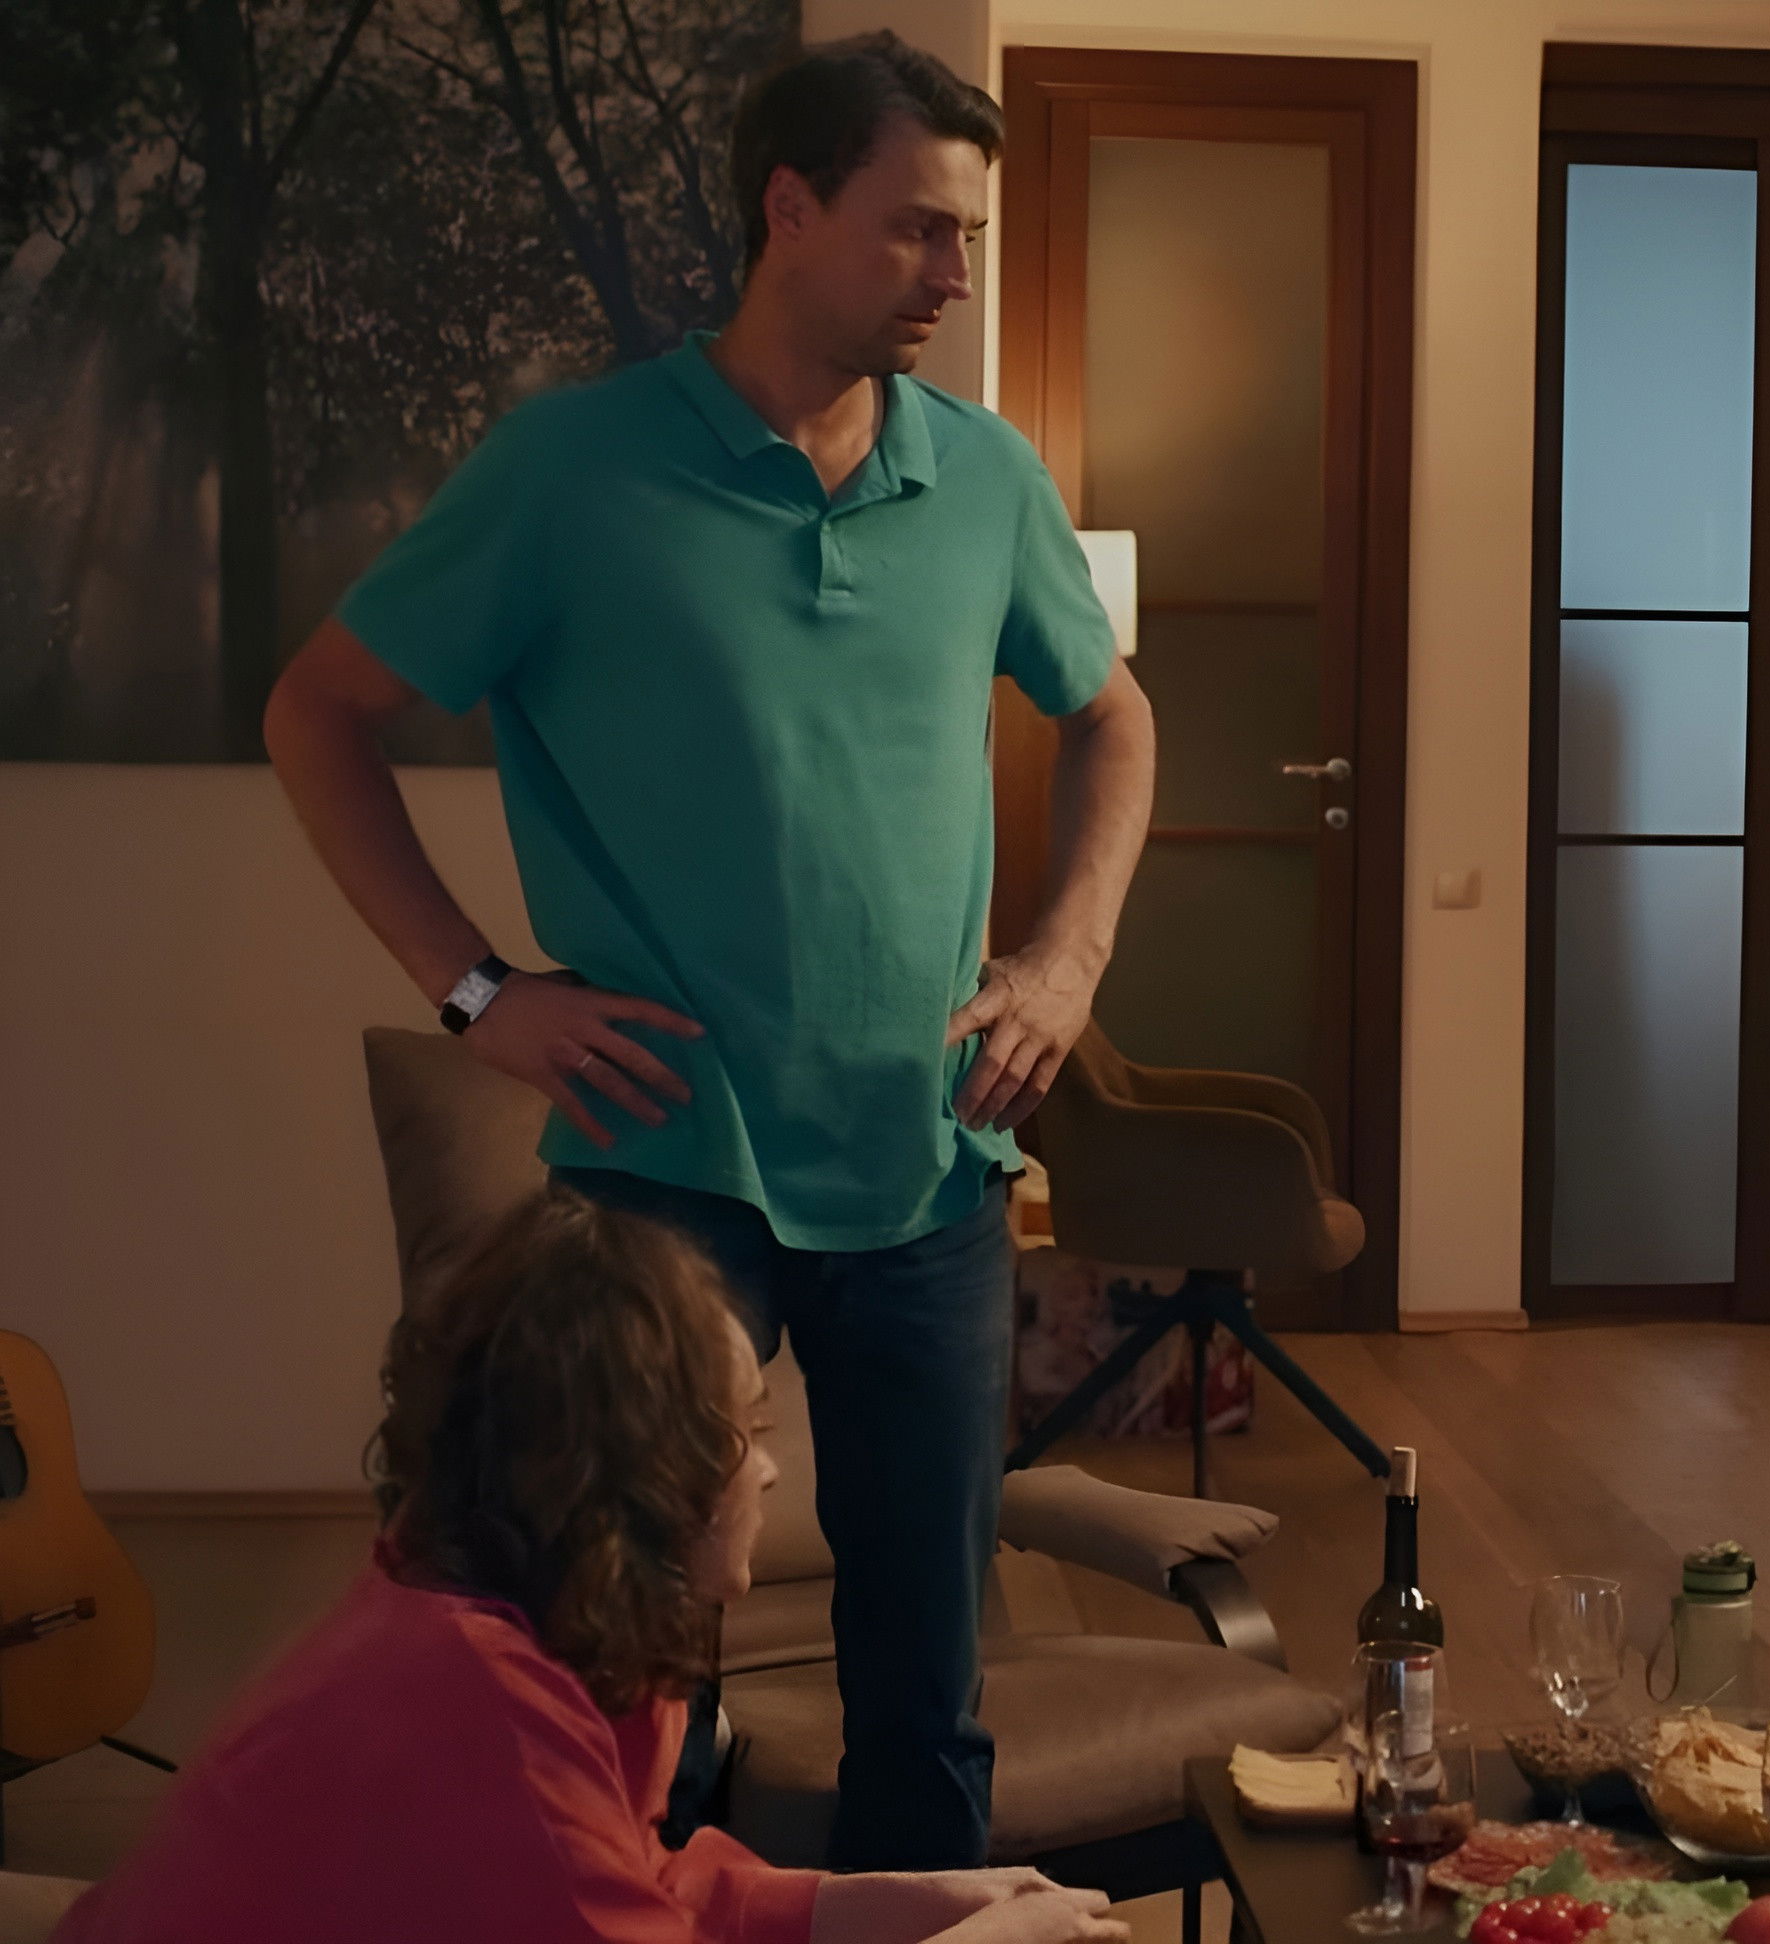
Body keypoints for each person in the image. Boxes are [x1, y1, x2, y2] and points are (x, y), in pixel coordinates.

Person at [262, 34, 1154, 1868]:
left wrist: (1067, 960)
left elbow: (1114, 715)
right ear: (788, 207)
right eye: (918, 229)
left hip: (930, 1167)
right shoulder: (571, 468)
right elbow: (316, 711)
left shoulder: (984, 477)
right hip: (669, 1167)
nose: (955, 275)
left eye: (969, 236)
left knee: (927, 1692)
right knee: (614, 1671)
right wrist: (476, 991)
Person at [54, 1191, 1129, 1944]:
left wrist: (890, 1906)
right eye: (742, 1431)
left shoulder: (568, 1625)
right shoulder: (474, 1700)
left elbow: (640, 1884)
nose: (765, 1471)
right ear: (638, 1473)